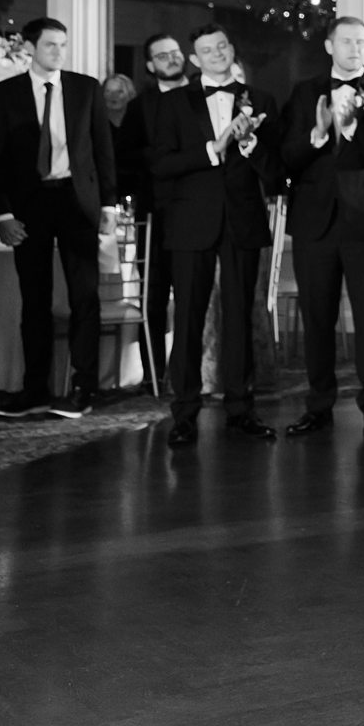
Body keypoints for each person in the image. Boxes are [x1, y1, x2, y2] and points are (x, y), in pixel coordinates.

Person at [150, 23, 281, 447]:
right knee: (188, 317)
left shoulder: (262, 101)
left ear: (231, 49)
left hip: (242, 219)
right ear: (195, 59)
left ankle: (241, 408)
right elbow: (161, 165)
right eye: (207, 49)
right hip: (191, 223)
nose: (217, 53)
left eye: (223, 45)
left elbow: (278, 172)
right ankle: (184, 413)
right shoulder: (173, 103)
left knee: (241, 316)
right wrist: (213, 149)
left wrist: (248, 147)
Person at [0, 16, 117, 418]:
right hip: (30, 204)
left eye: (63, 44)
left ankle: (83, 388)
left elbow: (103, 149)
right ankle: (34, 390)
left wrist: (108, 205)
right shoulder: (6, 93)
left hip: (78, 202)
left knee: (84, 297)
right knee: (34, 300)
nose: (59, 52)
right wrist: (2, 212)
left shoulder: (85, 88)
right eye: (50, 45)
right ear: (31, 49)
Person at [278, 16, 364, 437]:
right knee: (317, 318)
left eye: (362, 42)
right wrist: (316, 135)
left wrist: (349, 128)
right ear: (329, 46)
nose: (356, 48)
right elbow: (288, 159)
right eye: (347, 41)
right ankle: (318, 405)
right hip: (315, 220)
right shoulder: (303, 92)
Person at [118, 32, 190, 387]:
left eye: (175, 53)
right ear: (150, 66)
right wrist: (161, 159)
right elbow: (125, 157)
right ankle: (153, 375)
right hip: (155, 213)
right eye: (162, 56)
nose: (172, 59)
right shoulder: (139, 107)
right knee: (155, 295)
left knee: (193, 295)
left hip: (196, 210)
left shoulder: (201, 96)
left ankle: (188, 372)